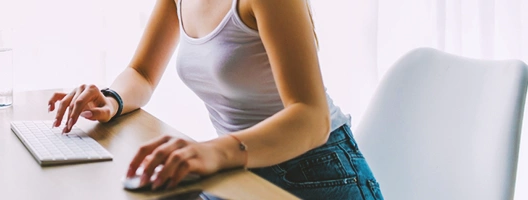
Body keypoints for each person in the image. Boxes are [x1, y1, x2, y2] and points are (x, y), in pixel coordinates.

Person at [47, 0, 383, 199]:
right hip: (243, 163)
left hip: (316, 168)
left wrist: (213, 151)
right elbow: (143, 73)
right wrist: (111, 99)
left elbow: (313, 118)